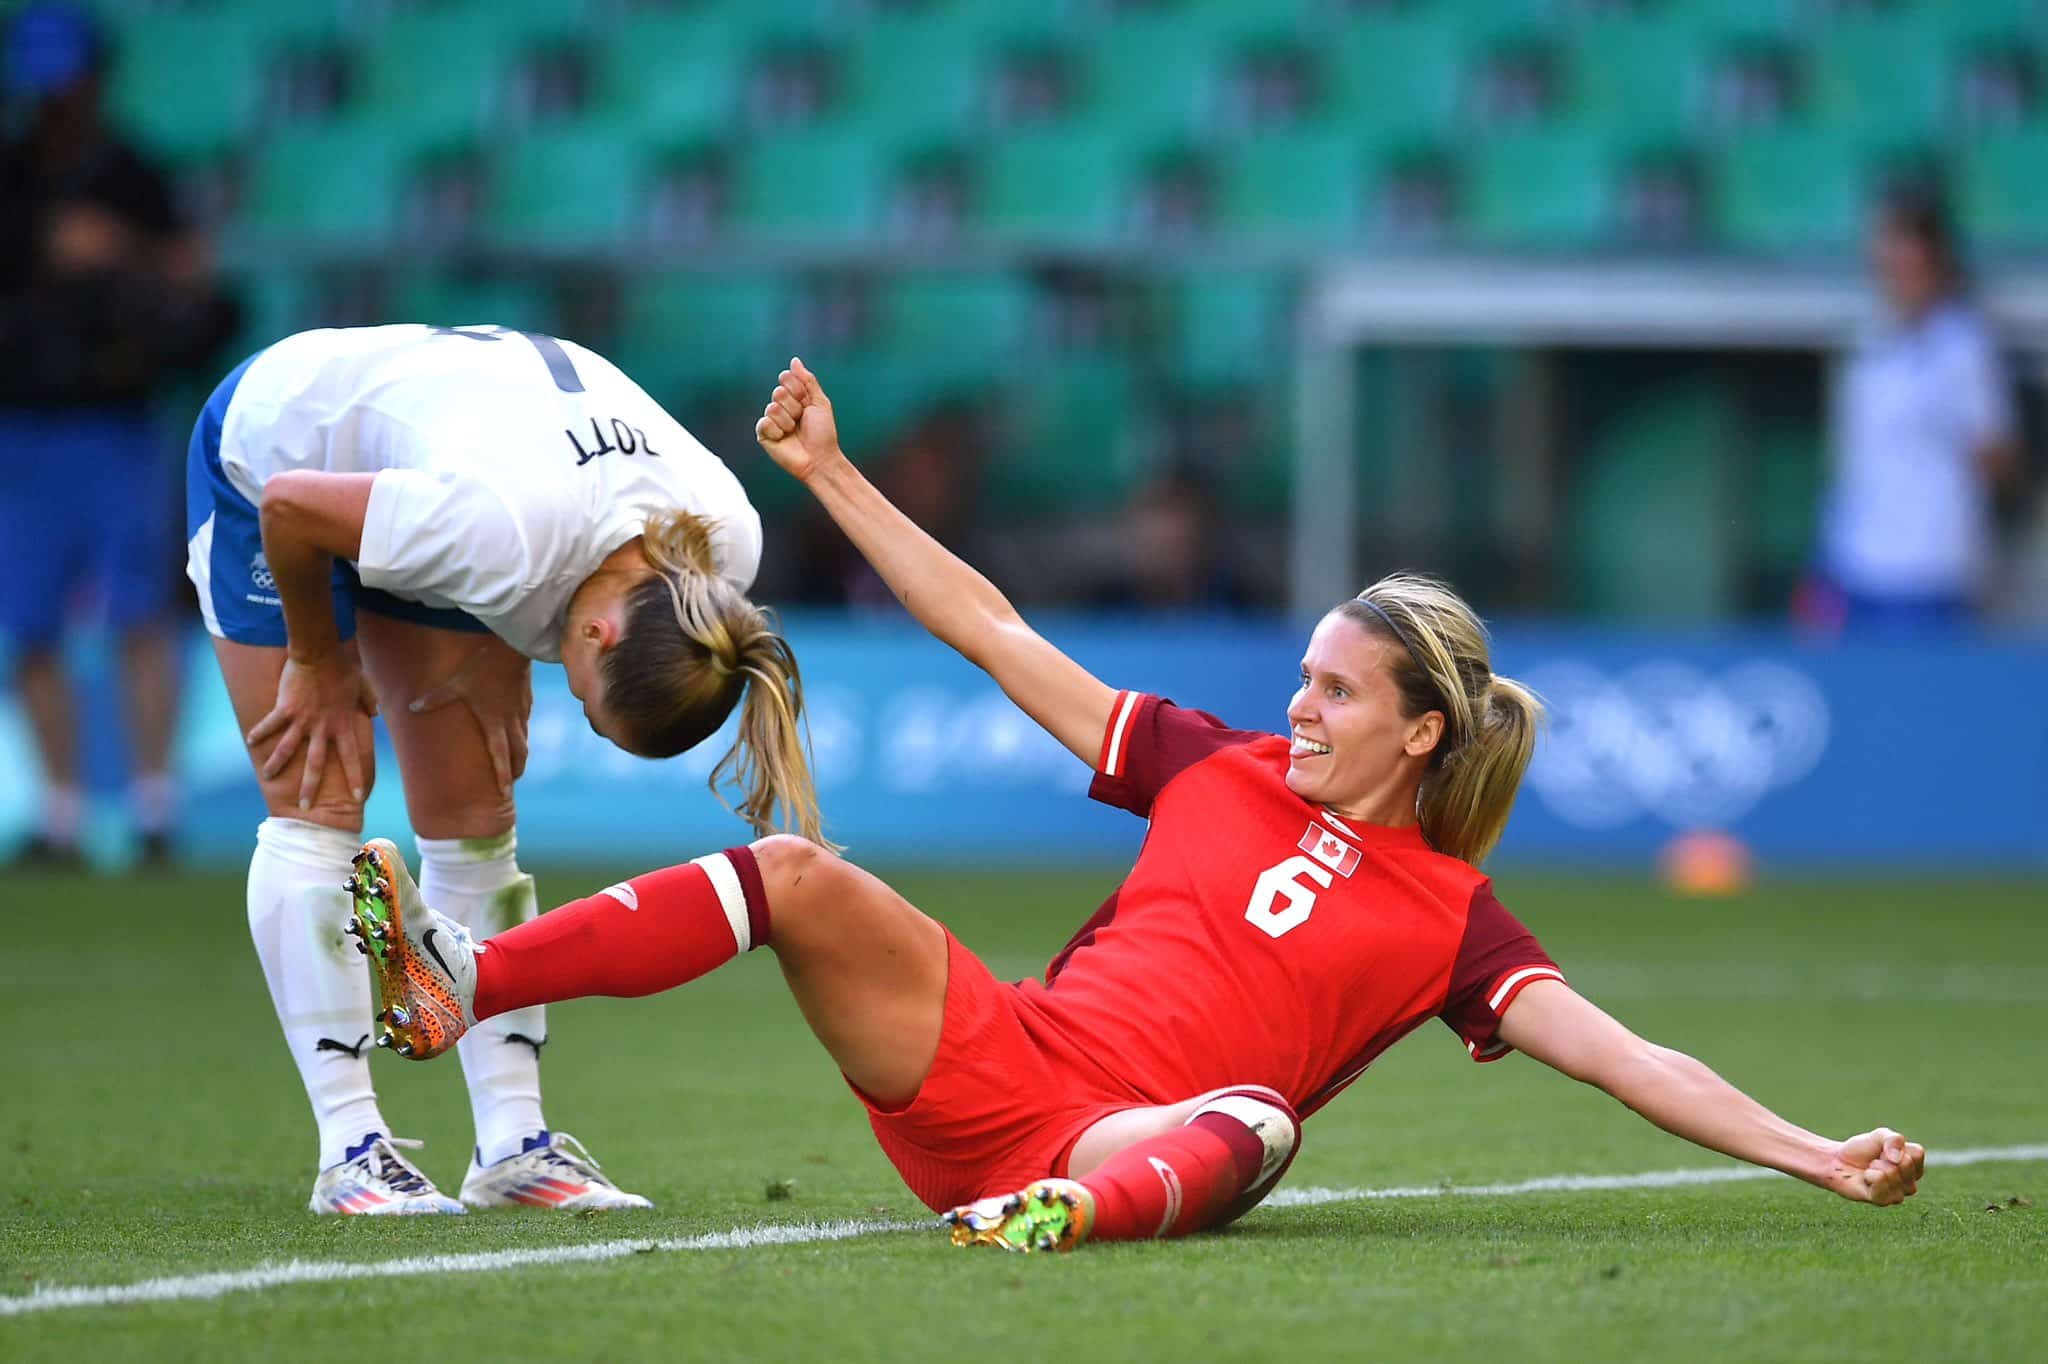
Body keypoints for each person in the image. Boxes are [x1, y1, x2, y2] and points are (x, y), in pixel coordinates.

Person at [350, 358, 1925, 1252]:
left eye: (1333, 691)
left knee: (1258, 1120)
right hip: (995, 1064)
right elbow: (995, 629)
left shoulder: (1458, 925)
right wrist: (828, 472)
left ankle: (1060, 1218)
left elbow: (1632, 1060)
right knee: (794, 872)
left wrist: (1816, 1153)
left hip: (1132, 1142)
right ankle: (457, 980)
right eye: (1303, 677)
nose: (1296, 706)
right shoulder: (1210, 761)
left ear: (1422, 732)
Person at [187, 323, 821, 1215]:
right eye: (587, 701)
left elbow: (557, 540)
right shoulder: (501, 536)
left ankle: (514, 1149)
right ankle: (350, 1151)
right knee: (319, 790)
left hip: (460, 481)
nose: (567, 700)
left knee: (475, 812)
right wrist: (319, 658)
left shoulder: (719, 560)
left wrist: (512, 638)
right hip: (276, 458)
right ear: (596, 635)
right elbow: (293, 507)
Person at [0, 1, 238, 866]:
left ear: (96, 78)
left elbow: (196, 289)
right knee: (29, 622)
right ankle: (59, 813)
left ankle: (152, 806)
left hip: (116, 422)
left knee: (141, 611)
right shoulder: (14, 176)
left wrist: (116, 251)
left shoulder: (135, 175)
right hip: (22, 425)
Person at [1803, 188, 2022, 631]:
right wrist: (1823, 567)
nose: (1903, 276)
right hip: (1859, 568)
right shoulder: (1870, 342)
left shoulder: (1964, 346)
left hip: (1933, 573)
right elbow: (1854, 465)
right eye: (1893, 263)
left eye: (1914, 265)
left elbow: (1999, 458)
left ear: (1936, 266)